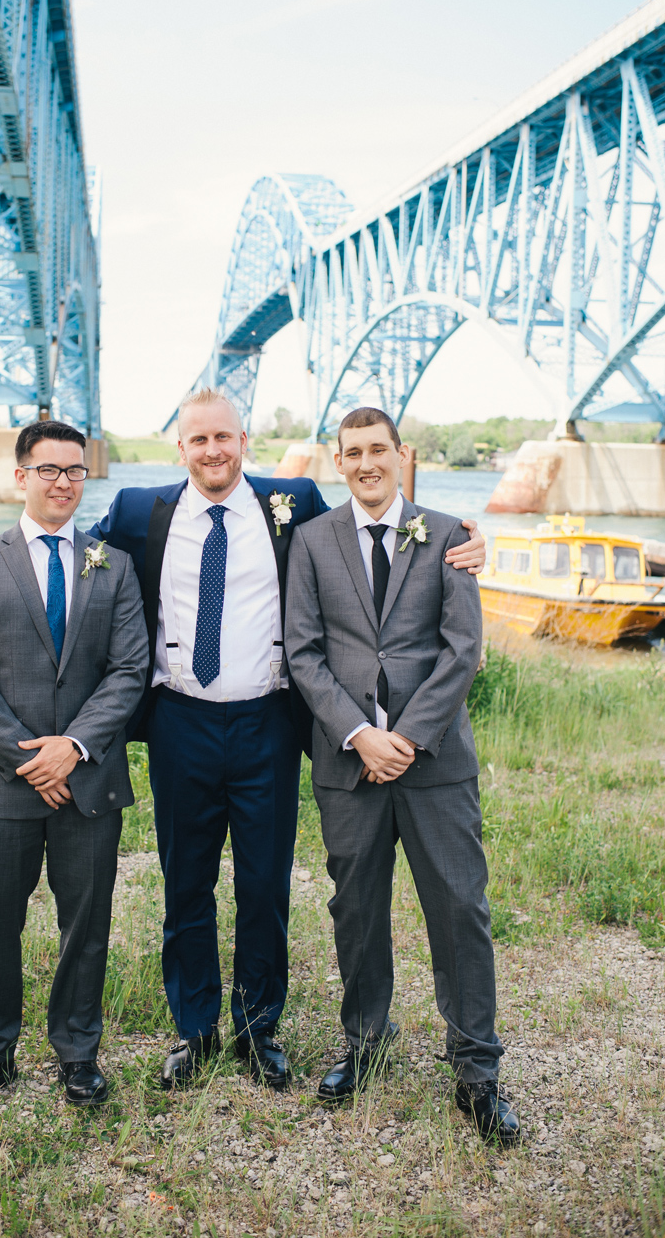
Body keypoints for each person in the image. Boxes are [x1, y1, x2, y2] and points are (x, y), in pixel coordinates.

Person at [0, 391, 486, 1094]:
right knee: (185, 882)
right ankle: (193, 1032)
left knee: (264, 885)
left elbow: (370, 531)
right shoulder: (141, 512)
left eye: (224, 437)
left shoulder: (293, 503)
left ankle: (260, 1031)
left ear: (245, 439)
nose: (213, 451)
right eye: (198, 440)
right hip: (180, 722)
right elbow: (59, 541)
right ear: (181, 449)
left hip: (267, 721)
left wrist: (463, 536)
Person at [284, 406, 520, 1146]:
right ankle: (366, 1042)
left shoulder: (450, 534)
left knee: (459, 909)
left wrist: (407, 737)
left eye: (377, 450)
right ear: (338, 460)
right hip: (347, 762)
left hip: (434, 762)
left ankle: (477, 1070)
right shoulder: (312, 539)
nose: (365, 464)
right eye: (351, 453)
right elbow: (302, 650)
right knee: (355, 909)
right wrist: (358, 734)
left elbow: (462, 650)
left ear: (401, 453)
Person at [0, 421, 147, 1109]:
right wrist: (32, 757)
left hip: (89, 780)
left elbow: (128, 670)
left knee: (85, 928)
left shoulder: (113, 565)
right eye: (49, 469)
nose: (64, 482)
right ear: (20, 476)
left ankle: (77, 1054)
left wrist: (73, 747)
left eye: (75, 471)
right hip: (4, 783)